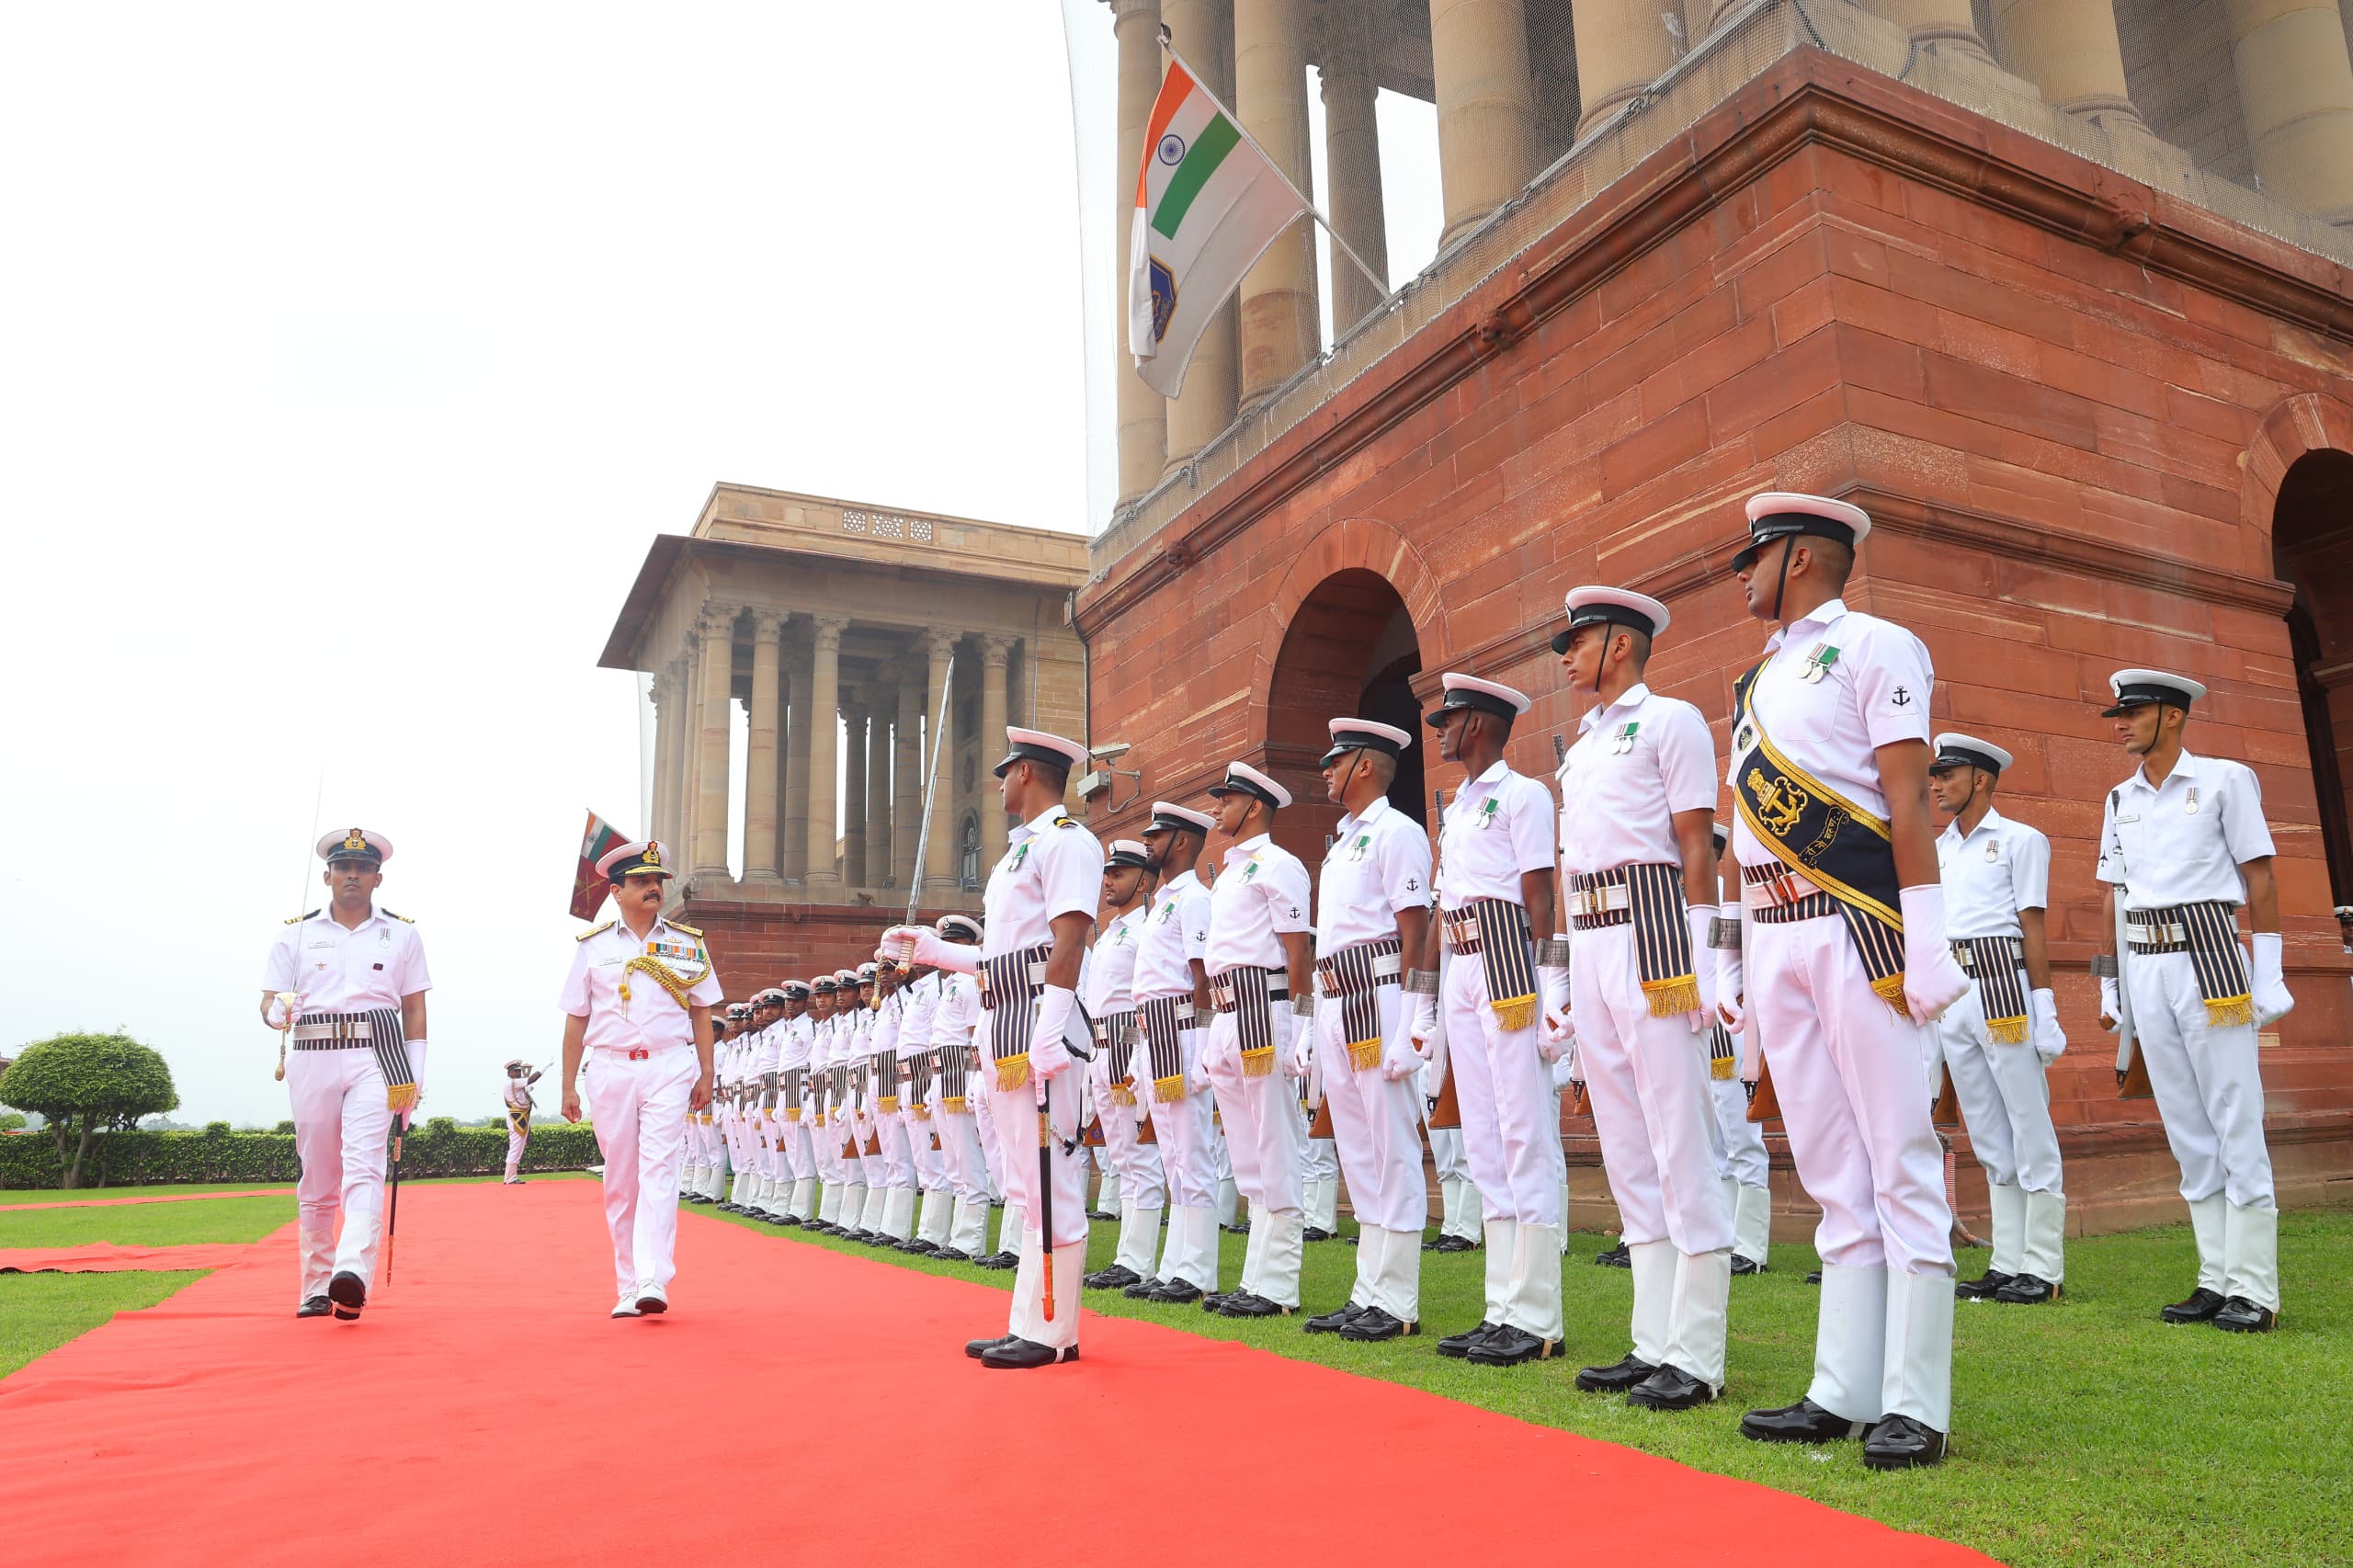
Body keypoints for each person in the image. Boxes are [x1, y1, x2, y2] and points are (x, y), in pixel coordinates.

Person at [1718, 493, 1969, 1469]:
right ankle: (1842, 1387)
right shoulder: (1754, 678)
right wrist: (1733, 957)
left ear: (1800, 555)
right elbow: (1743, 838)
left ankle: (1915, 1401)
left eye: (1753, 554)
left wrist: (1928, 939)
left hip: (1858, 927)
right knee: (1829, 1173)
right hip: (1775, 931)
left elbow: (1903, 794)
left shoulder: (1875, 644)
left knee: (1899, 1158)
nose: (1741, 572)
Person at [1545, 586, 1734, 1410]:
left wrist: (1707, 957)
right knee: (1624, 1141)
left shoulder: (1672, 721)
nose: (1567, 654)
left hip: (1656, 926)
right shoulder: (1582, 746)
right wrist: (1556, 977)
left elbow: (1697, 846)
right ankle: (1651, 1339)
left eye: (1579, 639)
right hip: (1590, 939)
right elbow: (1567, 867)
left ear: (1619, 643)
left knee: (1678, 1139)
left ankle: (1696, 1353)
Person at [881, 727, 1103, 1369]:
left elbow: (1069, 940)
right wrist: (929, 949)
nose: (1001, 783)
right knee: (1025, 1183)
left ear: (1029, 774)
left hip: (1038, 1021)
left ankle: (1055, 1333)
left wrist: (1054, 1029)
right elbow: (997, 957)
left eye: (1007, 772)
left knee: (1051, 1176)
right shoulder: (1016, 857)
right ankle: (1031, 1322)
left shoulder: (1067, 844)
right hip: (1005, 1023)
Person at [2094, 669, 2289, 1333]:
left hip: (2210, 954)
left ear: (2171, 716)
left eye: (2133, 712)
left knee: (2235, 1113)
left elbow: (2259, 877)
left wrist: (2270, 975)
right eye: (2117, 714)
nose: (2120, 724)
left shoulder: (2225, 781)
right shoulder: (2119, 798)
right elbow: (2113, 895)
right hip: (2146, 961)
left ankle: (2254, 1289)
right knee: (2185, 1126)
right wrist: (2108, 982)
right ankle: (2215, 1277)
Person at [1415, 675, 1564, 1366]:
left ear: (1478, 723)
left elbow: (1540, 897)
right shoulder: (1462, 806)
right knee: (1482, 1135)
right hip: (1464, 959)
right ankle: (1501, 1305)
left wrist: (1549, 986)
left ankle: (1535, 1314)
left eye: (1449, 719)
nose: (1440, 730)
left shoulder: (1523, 794)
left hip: (1509, 958)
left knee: (1522, 1130)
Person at [260, 828, 431, 1321]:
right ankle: (315, 1284)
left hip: (376, 1056)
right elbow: (269, 1000)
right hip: (312, 1052)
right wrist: (276, 1013)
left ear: (377, 878)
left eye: (362, 868)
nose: (352, 874)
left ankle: (351, 1271)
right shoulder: (295, 933)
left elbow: (414, 1009)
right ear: (327, 875)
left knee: (364, 1165)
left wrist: (413, 1078)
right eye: (343, 866)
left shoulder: (402, 933)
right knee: (318, 1172)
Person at [1302, 718, 1434, 1342]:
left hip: (1380, 995)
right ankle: (1368, 1290)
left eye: (1335, 760)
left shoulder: (1397, 834)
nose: (1325, 770)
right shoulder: (1343, 841)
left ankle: (1398, 1298)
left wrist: (1413, 1019)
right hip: (1338, 996)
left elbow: (1415, 932)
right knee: (1357, 1151)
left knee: (1392, 1146)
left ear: (1364, 765)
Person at [1928, 733, 2067, 1304]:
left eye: (1947, 775)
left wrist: (2046, 1007)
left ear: (1980, 779)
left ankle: (2045, 1265)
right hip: (1953, 989)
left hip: (2004, 982)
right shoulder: (1937, 849)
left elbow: (2032, 926)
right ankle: (2008, 1261)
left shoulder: (2020, 840)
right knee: (1988, 1133)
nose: (1934, 784)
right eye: (1933, 776)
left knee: (2029, 1126)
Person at [559, 839, 720, 1318]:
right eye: (641, 882)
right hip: (610, 1067)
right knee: (620, 1178)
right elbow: (575, 1019)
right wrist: (567, 1084)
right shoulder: (593, 948)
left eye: (657, 881)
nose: (653, 888)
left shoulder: (687, 945)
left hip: (670, 1066)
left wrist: (707, 1072)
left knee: (660, 1170)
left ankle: (653, 1277)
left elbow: (703, 1011)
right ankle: (626, 1283)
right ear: (615, 891)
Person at [1199, 761, 1317, 1320]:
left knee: (1274, 1143)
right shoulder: (1226, 872)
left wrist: (1299, 1024)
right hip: (1227, 1008)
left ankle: (1280, 1285)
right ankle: (1255, 1279)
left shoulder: (1280, 865)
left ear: (1254, 806)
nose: (1217, 807)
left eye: (1226, 799)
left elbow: (1298, 952)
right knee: (1246, 1153)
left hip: (1264, 1008)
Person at [1127, 801, 1222, 1302]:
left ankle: (1198, 1271)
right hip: (1155, 1032)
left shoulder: (1193, 899)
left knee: (1192, 1153)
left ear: (1181, 841)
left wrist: (1204, 1042)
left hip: (1182, 1030)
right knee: (1172, 1157)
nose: (1148, 842)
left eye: (1156, 834)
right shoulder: (1164, 898)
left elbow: (1202, 976)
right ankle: (1174, 1266)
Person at [1083, 839, 1167, 1292]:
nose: (1108, 881)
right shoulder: (1112, 930)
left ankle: (1139, 1260)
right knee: (1120, 1158)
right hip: (1101, 1044)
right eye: (1107, 873)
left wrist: (1135, 1053)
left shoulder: (1144, 929)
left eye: (1118, 873)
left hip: (1126, 1042)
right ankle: (1127, 1257)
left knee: (1139, 1156)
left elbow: (1142, 1000)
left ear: (1142, 878)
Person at [1702, 828, 1773, 1274]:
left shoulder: (1734, 898)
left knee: (1743, 1141)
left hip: (1733, 1027)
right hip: (1700, 1032)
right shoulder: (1682, 906)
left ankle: (1751, 1246)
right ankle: (1728, 1238)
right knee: (1713, 1145)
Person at [926, 915, 993, 1261]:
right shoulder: (952, 983)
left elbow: (972, 1037)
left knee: (967, 1157)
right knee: (952, 1159)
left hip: (959, 1071)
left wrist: (971, 1081)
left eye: (955, 943)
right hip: (941, 1071)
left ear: (968, 946)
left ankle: (971, 1239)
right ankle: (955, 1236)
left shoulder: (968, 982)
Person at [502, 1060, 542, 1184]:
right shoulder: (511, 1083)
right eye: (517, 1071)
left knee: (518, 1147)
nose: (519, 1074)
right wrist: (545, 1066)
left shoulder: (515, 1084)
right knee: (515, 1147)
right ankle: (509, 1177)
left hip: (521, 1116)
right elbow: (532, 1079)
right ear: (511, 1072)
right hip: (517, 1117)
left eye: (520, 1072)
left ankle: (511, 1176)